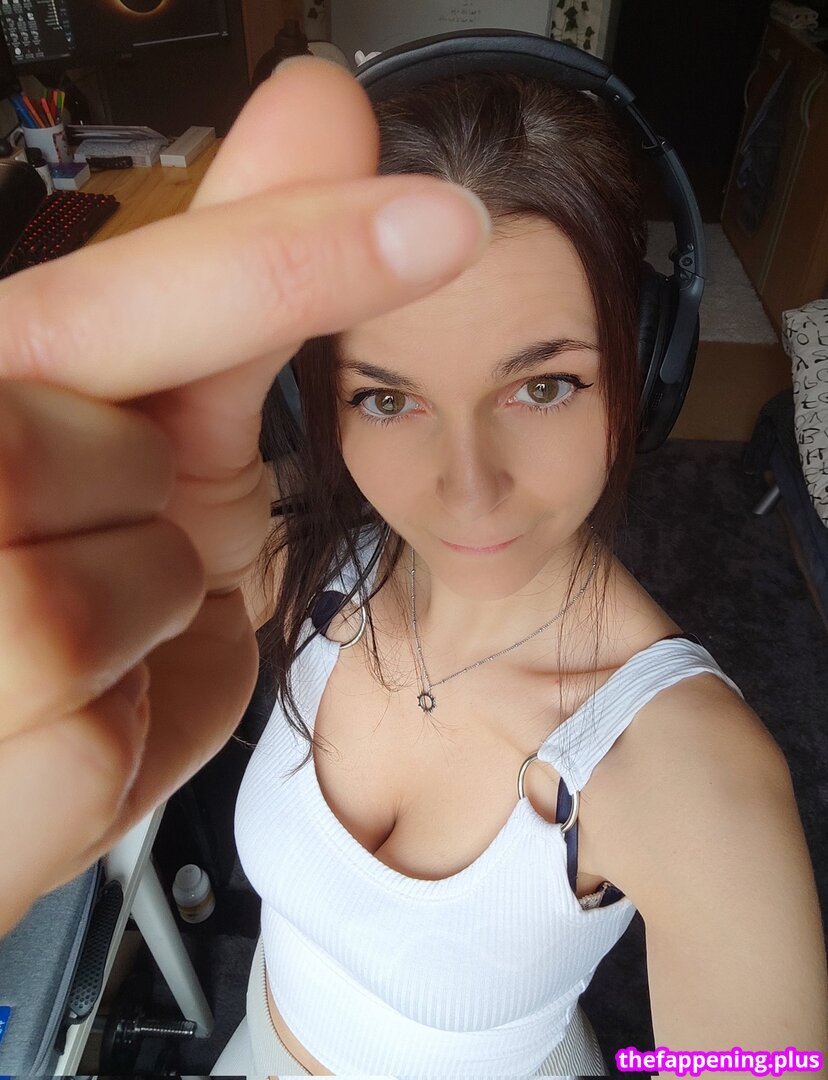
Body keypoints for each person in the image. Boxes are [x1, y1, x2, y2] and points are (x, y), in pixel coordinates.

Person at [0, 52, 823, 1080]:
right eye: (387, 398)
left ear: (644, 367)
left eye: (544, 385)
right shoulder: (302, 550)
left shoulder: (696, 779)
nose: (468, 491)